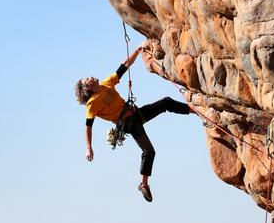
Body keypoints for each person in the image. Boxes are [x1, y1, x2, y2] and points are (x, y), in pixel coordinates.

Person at [74, 42, 192, 202]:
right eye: (87, 78)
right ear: (87, 87)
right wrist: (89, 148)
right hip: (129, 123)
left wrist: (137, 50)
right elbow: (88, 127)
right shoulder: (92, 103)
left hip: (136, 114)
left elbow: (124, 66)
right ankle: (144, 184)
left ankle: (193, 110)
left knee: (165, 103)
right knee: (149, 151)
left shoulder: (106, 84)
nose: (91, 76)